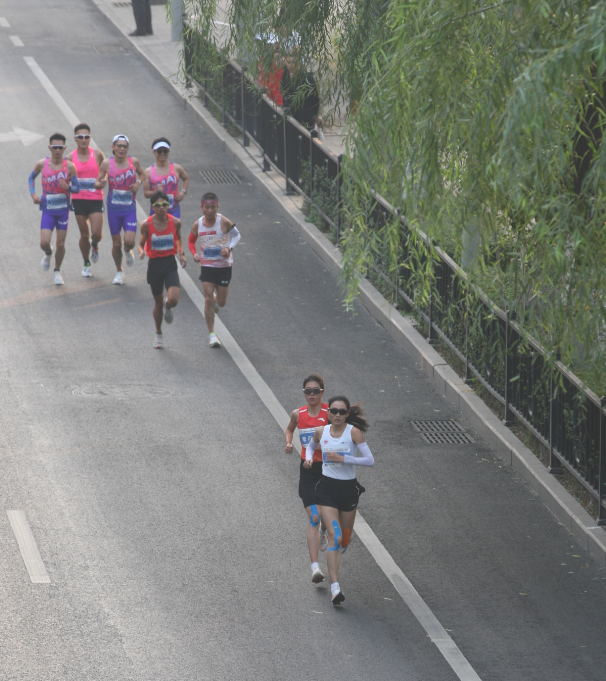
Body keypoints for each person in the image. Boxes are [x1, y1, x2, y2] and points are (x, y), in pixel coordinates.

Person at [305, 396, 374, 606]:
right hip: (326, 488)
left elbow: (370, 460)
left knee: (345, 539)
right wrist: (309, 458)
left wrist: (343, 458)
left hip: (348, 490)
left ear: (347, 414)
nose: (337, 415)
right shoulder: (321, 431)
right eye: (333, 411)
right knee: (335, 538)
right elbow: (310, 447)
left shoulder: (353, 432)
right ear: (328, 413)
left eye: (342, 412)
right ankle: (336, 588)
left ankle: (328, 531)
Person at [285, 375, 330, 584]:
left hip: (329, 470)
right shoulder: (298, 413)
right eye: (307, 391)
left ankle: (323, 531)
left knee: (324, 517)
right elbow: (289, 429)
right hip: (308, 470)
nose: (311, 394)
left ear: (322, 392)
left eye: (315, 390)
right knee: (314, 516)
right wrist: (288, 443)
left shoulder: (331, 413)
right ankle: (315, 568)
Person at [188, 192, 240, 348]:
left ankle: (217, 299)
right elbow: (191, 241)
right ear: (202, 207)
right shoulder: (198, 224)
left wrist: (229, 249)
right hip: (207, 265)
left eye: (213, 207)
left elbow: (237, 236)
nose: (210, 210)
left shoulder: (223, 222)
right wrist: (194, 253)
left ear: (217, 206)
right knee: (208, 299)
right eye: (207, 207)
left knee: (221, 303)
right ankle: (212, 335)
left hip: (224, 266)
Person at [137, 190, 187, 348]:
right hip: (155, 266)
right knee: (157, 303)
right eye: (157, 205)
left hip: (170, 264)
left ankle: (169, 305)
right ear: (153, 207)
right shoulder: (147, 224)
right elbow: (140, 244)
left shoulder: (175, 222)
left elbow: (178, 238)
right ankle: (158, 333)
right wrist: (141, 251)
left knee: (173, 300)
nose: (161, 208)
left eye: (164, 204)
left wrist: (182, 254)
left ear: (168, 205)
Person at [28, 132, 79, 286]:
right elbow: (31, 177)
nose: (57, 150)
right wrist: (33, 195)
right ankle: (48, 253)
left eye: (60, 147)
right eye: (55, 147)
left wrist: (68, 187)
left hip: (63, 211)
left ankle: (57, 271)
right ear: (50, 148)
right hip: (48, 210)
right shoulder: (42, 164)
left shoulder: (70, 166)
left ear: (64, 148)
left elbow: (77, 188)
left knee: (61, 244)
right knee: (44, 242)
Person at [95, 135, 145, 285]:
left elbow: (142, 174)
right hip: (114, 210)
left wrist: (138, 182)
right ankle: (119, 271)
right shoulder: (106, 164)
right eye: (119, 146)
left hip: (129, 209)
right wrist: (101, 184)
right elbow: (97, 182)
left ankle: (128, 250)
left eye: (124, 146)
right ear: (113, 147)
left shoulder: (134, 162)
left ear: (127, 148)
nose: (121, 149)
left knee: (129, 241)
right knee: (116, 243)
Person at [70, 123, 105, 277]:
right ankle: (86, 262)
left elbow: (104, 171)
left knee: (96, 233)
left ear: (90, 138)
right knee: (84, 234)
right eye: (80, 137)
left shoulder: (97, 154)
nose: (83, 139)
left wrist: (102, 181)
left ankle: (95, 245)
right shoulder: (70, 157)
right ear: (75, 139)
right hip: (78, 201)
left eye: (86, 137)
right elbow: (64, 177)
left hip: (95, 198)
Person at [142, 138, 189, 218]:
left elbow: (186, 178)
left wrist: (183, 192)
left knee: (174, 230)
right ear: (153, 152)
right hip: (156, 212)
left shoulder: (176, 168)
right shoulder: (148, 171)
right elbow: (146, 194)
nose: (162, 153)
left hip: (173, 210)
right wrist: (156, 192)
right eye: (159, 151)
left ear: (168, 152)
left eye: (165, 151)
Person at [280, 55, 323, 132]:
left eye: (293, 62)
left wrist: (316, 115)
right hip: (291, 117)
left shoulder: (307, 77)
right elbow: (285, 95)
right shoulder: (285, 76)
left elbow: (315, 99)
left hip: (306, 117)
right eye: (289, 62)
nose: (290, 65)